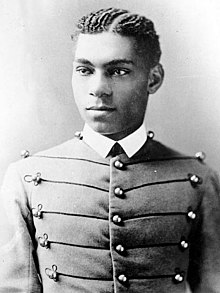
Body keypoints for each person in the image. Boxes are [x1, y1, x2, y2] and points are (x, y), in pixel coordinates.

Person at [0, 7, 220, 293]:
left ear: (153, 79)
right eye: (85, 70)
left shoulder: (197, 181)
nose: (98, 88)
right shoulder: (27, 179)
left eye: (118, 71)